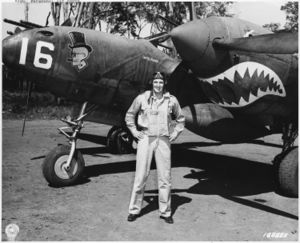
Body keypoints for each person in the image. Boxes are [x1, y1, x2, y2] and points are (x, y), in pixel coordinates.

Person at [125, 71, 185, 224]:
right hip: (146, 138)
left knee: (165, 178)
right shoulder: (142, 98)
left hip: (163, 140)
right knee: (140, 176)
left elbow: (180, 119)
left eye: (161, 82)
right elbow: (129, 115)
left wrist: (175, 133)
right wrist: (134, 131)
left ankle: (165, 212)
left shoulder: (171, 100)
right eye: (155, 82)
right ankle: (134, 210)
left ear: (164, 83)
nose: (158, 85)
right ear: (151, 83)